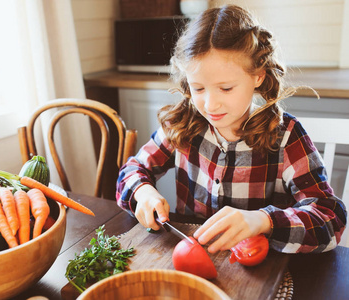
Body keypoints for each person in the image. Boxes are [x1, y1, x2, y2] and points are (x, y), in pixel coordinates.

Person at [116, 4, 346, 254]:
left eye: (226, 88)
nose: (210, 104)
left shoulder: (286, 137)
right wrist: (143, 192)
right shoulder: (183, 123)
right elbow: (132, 169)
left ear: (258, 76)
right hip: (194, 261)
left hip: (261, 270)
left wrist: (263, 221)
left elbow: (330, 218)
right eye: (198, 88)